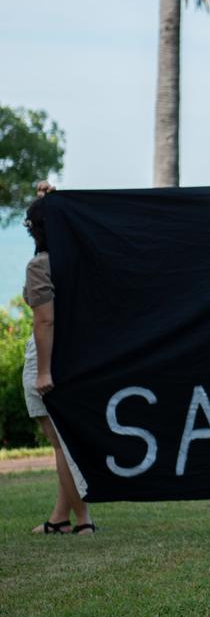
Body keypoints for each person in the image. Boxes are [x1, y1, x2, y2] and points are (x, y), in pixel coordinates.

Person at [23, 183, 96, 535]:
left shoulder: (40, 266)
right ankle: (59, 518)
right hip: (78, 353)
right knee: (62, 445)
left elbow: (44, 319)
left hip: (49, 357)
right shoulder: (78, 260)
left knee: (60, 444)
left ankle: (83, 520)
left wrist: (43, 372)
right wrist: (52, 199)